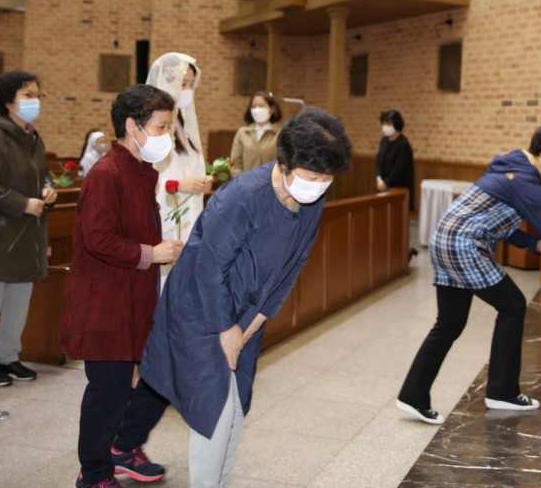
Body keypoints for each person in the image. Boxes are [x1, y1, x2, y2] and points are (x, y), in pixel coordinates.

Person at [140, 107, 351, 488]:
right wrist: (226, 329)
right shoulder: (242, 197)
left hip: (247, 312)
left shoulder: (310, 200)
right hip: (201, 309)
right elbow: (209, 270)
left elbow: (294, 263)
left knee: (238, 406)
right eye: (313, 177)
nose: (319, 186)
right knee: (214, 410)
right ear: (285, 163)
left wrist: (254, 322)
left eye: (327, 179)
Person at [396, 120, 541, 425]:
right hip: (464, 244)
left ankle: (413, 394)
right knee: (513, 305)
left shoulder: (511, 165)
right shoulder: (525, 178)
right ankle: (502, 391)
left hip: (444, 239)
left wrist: (537, 245)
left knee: (449, 323)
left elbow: (501, 224)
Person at [58, 84, 185, 488]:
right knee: (108, 393)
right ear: (133, 126)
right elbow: (98, 239)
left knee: (159, 376)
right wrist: (153, 253)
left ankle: (124, 446)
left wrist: (162, 250)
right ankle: (94, 474)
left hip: (135, 298)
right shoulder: (106, 174)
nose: (166, 135)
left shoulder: (140, 171)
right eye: (161, 127)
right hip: (106, 303)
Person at [0, 71, 54, 387]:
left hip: (24, 236)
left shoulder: (33, 137)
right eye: (28, 95)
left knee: (18, 303)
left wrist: (47, 190)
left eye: (37, 95)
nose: (35, 101)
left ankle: (8, 356)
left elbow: (40, 175)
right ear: (7, 101)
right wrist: (22, 203)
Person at [146, 52, 211, 285]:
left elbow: (192, 165)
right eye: (183, 84)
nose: (188, 90)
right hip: (165, 210)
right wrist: (177, 185)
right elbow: (144, 177)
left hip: (189, 209)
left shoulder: (185, 123)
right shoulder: (151, 126)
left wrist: (202, 181)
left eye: (192, 85)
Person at [229, 90, 281, 178]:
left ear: (272, 109)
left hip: (272, 183)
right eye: (254, 107)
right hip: (246, 183)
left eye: (261, 106)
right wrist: (242, 181)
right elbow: (234, 162)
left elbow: (284, 163)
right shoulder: (243, 133)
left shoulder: (280, 133)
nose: (257, 110)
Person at [375, 109, 415, 209]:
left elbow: (399, 168)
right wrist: (379, 178)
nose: (385, 127)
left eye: (388, 124)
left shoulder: (403, 144)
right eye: (384, 123)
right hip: (382, 185)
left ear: (397, 124)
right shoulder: (384, 141)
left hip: (398, 187)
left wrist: (386, 183)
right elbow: (378, 161)